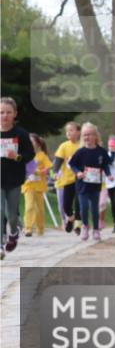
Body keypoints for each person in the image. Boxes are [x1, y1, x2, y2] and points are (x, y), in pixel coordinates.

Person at [1, 97, 36, 254]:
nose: (5, 115)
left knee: (12, 214)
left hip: (14, 179)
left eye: (8, 112)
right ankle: (1, 243)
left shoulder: (20, 134)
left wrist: (17, 157)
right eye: (1, 112)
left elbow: (30, 154)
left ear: (15, 114)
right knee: (0, 211)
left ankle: (13, 232)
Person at [68, 122, 111, 241]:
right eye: (84, 135)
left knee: (94, 209)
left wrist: (109, 175)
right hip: (82, 185)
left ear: (95, 136)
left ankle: (96, 229)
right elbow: (72, 164)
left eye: (90, 134)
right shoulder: (80, 152)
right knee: (84, 207)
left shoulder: (101, 151)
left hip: (95, 185)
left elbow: (106, 165)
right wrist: (78, 173)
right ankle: (85, 227)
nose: (87, 137)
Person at [52, 121, 81, 233]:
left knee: (79, 204)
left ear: (78, 132)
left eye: (71, 130)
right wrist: (55, 171)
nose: (68, 132)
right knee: (66, 206)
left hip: (80, 180)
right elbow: (58, 161)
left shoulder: (82, 146)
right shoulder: (64, 146)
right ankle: (70, 218)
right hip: (67, 180)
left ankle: (78, 225)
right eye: (67, 131)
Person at [21, 133, 52, 237]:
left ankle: (40, 228)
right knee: (29, 206)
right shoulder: (24, 155)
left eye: (32, 141)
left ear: (38, 144)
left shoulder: (42, 156)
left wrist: (39, 171)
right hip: (28, 185)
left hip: (39, 186)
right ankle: (28, 228)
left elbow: (48, 168)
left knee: (40, 209)